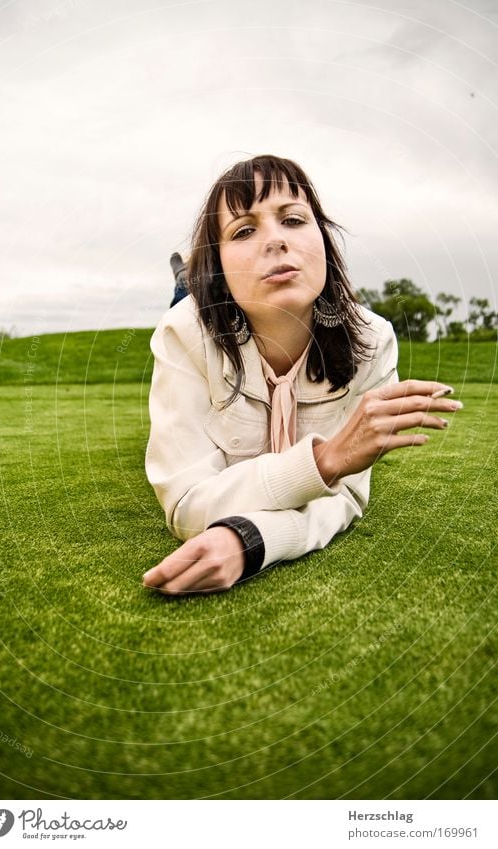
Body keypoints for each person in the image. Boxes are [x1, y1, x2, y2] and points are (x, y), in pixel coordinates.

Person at [143, 154, 461, 595]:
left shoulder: (374, 341)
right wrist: (325, 460)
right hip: (209, 306)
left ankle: (192, 274)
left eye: (293, 220)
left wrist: (250, 540)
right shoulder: (182, 333)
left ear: (325, 244)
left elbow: (344, 498)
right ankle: (188, 279)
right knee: (185, 301)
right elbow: (187, 503)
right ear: (220, 263)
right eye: (244, 230)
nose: (275, 240)